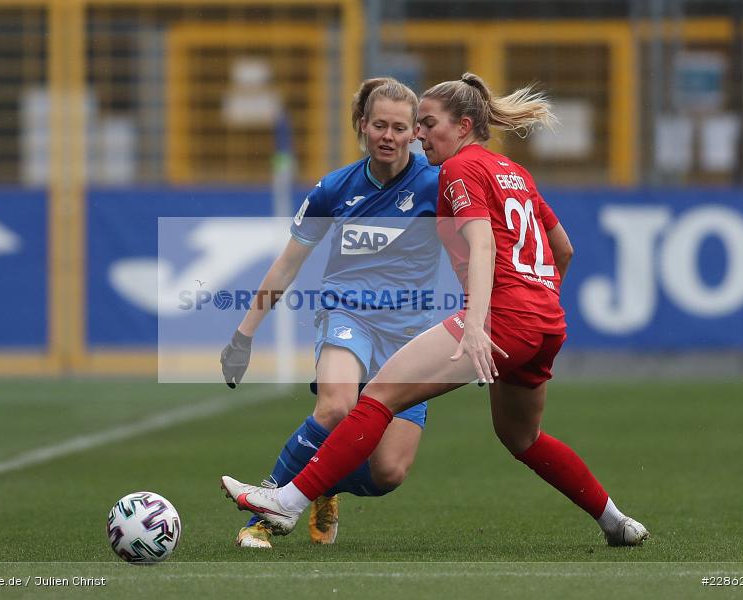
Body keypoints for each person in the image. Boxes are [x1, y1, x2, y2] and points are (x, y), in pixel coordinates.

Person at [222, 72, 650, 548]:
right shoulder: (513, 171)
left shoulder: (456, 171)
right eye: (405, 125)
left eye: (422, 124)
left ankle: (286, 502)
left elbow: (483, 243)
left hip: (492, 320)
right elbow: (563, 249)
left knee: (380, 415)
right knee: (521, 437)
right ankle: (616, 522)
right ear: (362, 126)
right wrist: (539, 302)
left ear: (463, 126)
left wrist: (476, 323)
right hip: (541, 323)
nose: (417, 134)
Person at [219, 77, 442, 548]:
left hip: (409, 334)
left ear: (414, 134)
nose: (388, 135)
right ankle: (265, 512)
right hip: (348, 315)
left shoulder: (437, 186)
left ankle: (323, 484)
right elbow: (287, 265)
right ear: (362, 126)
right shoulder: (334, 189)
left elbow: (474, 253)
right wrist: (244, 335)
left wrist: (480, 327)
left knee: (389, 472)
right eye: (379, 124)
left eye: (400, 127)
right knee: (337, 405)